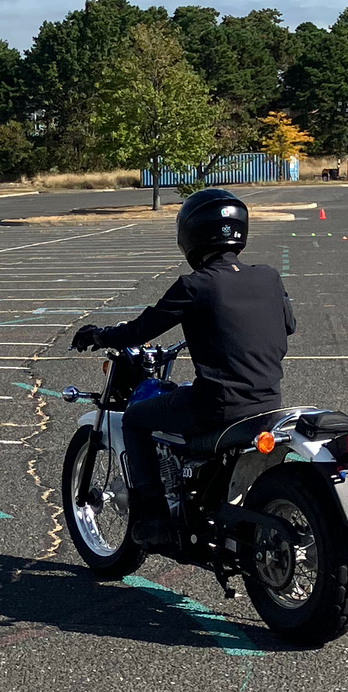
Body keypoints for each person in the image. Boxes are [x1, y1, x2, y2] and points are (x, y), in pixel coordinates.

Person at [70, 188, 296, 548]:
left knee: (136, 419)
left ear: (191, 233)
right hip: (270, 405)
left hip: (219, 407)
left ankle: (155, 518)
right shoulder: (268, 276)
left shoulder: (195, 285)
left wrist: (98, 335)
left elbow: (139, 331)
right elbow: (287, 326)